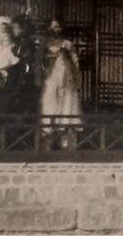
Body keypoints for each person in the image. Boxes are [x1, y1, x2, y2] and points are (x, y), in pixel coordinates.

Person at [39, 19, 82, 149]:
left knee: (67, 106)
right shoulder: (44, 44)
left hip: (66, 79)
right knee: (49, 107)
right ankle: (47, 142)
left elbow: (75, 62)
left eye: (58, 27)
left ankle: (67, 142)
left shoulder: (68, 44)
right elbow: (38, 61)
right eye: (53, 27)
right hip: (50, 79)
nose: (56, 29)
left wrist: (76, 77)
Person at [7, 15, 37, 116]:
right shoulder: (18, 41)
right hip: (17, 74)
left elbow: (24, 59)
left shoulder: (26, 43)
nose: (14, 31)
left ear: (24, 29)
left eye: (16, 28)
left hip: (22, 75)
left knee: (21, 101)